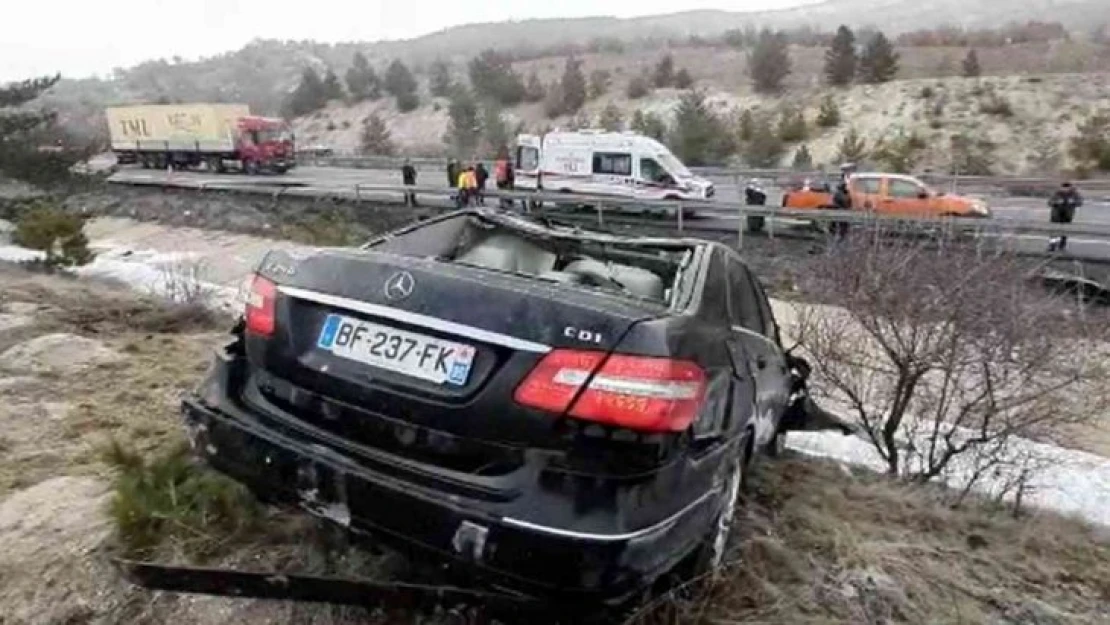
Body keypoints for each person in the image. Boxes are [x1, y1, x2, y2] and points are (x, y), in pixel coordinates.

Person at [1048, 181, 1083, 252]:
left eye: (1067, 188)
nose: (1065, 190)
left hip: (1068, 215)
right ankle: (1052, 245)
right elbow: (1049, 202)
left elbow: (1080, 202)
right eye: (1064, 188)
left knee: (1065, 230)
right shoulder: (1056, 193)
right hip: (1056, 215)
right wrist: (1056, 202)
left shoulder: (1074, 194)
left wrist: (1073, 202)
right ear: (1061, 188)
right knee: (1054, 231)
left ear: (1070, 188)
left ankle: (1062, 245)